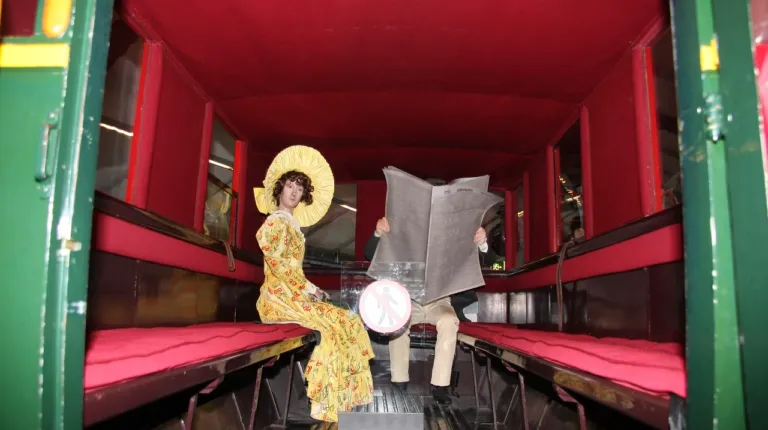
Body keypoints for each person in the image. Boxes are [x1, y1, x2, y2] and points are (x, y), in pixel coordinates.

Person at [253, 145, 374, 423]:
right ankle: (324, 402)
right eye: (290, 186)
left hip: (292, 293)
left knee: (348, 320)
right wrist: (307, 289)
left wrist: (312, 289)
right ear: (279, 189)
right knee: (335, 324)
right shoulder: (275, 223)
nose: (294, 193)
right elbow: (280, 267)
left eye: (299, 188)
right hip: (277, 298)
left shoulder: (292, 225)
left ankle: (341, 397)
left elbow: (293, 270)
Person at [363, 216, 496, 405]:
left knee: (449, 321)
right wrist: (378, 233)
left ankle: (440, 385)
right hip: (410, 300)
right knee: (398, 322)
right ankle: (399, 382)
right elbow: (369, 254)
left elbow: (490, 260)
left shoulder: (455, 238)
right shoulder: (403, 236)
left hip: (440, 301)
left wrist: (482, 243)